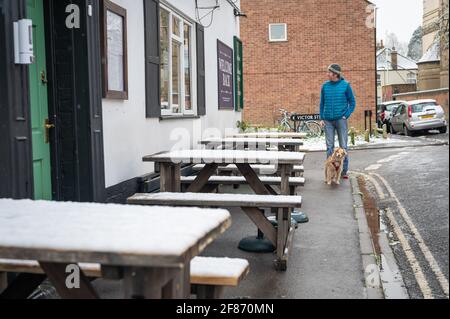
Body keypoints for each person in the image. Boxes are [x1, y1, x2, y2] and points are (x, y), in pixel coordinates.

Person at [319, 64, 356, 180]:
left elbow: (352, 102)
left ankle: (343, 171)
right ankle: (331, 170)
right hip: (328, 121)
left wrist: (346, 115)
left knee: (343, 145)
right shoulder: (325, 86)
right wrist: (321, 118)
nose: (327, 74)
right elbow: (322, 103)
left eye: (329, 72)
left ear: (335, 74)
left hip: (341, 119)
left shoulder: (345, 85)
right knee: (329, 146)